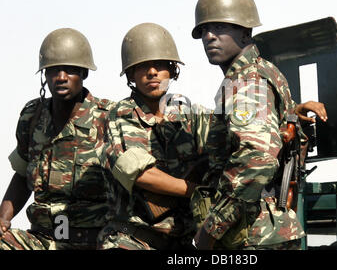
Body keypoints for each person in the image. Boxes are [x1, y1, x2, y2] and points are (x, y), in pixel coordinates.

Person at [191, 0, 327, 250]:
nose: (209, 36)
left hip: (251, 235)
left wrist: (210, 231)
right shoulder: (264, 71)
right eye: (204, 31)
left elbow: (258, 159)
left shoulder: (246, 81)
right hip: (267, 228)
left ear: (244, 31)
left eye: (220, 27)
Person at [98, 22, 213, 250]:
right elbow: (142, 174)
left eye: (160, 65)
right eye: (143, 66)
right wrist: (195, 191)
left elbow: (233, 130)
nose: (152, 72)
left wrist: (288, 115)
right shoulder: (120, 115)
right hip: (132, 240)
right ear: (131, 73)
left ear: (172, 70)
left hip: (181, 242)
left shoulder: (186, 111)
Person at [0, 28, 115, 250]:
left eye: (70, 70)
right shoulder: (32, 115)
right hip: (42, 238)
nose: (61, 78)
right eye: (53, 70)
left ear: (84, 72)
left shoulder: (108, 118)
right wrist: (4, 219)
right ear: (44, 74)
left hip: (97, 241)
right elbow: (22, 174)